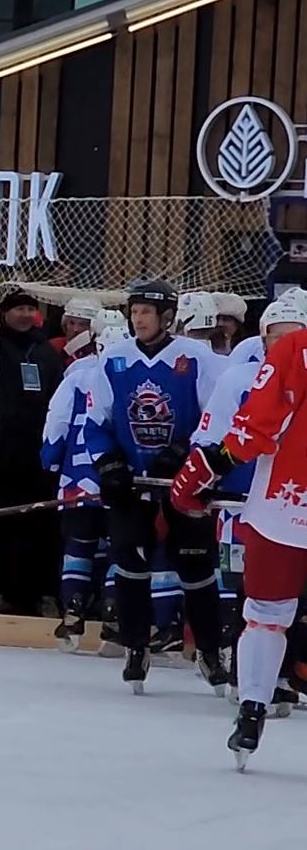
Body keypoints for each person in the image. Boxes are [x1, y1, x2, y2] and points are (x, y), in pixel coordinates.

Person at [173, 295, 307, 764]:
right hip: (280, 509)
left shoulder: (294, 353)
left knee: (267, 613)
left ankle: (252, 711)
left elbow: (257, 428)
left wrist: (207, 468)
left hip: (284, 508)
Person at [82, 279, 230, 695]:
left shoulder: (196, 358)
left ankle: (209, 649)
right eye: (134, 311)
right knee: (131, 565)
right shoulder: (114, 359)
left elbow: (214, 420)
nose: (138, 318)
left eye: (146, 311)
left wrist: (184, 452)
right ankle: (135, 646)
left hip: (186, 485)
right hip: (134, 484)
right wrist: (109, 465)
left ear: (167, 316)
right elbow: (97, 423)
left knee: (197, 569)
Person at [41, 308, 124, 650]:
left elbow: (56, 423)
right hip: (120, 481)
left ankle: (73, 614)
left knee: (80, 546)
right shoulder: (129, 372)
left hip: (78, 480)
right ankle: (113, 615)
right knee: (117, 548)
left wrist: (49, 458)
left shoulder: (77, 375)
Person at [0, 289, 66, 616]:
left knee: (37, 523)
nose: (24, 314)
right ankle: (0, 588)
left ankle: (36, 592)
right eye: (18, 308)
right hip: (1, 454)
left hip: (37, 456)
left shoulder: (45, 351)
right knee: (1, 524)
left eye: (29, 308)